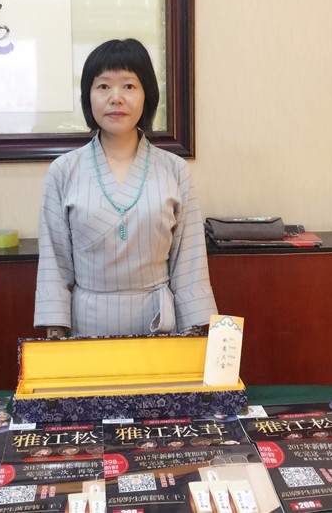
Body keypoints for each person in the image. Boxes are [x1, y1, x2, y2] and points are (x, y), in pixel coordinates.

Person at [34, 38, 217, 338]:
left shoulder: (174, 169)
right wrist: (56, 333)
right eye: (103, 86)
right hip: (86, 326)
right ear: (88, 96)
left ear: (147, 95)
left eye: (129, 86)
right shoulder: (63, 171)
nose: (116, 98)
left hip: (158, 326)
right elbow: (55, 262)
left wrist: (193, 333)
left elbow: (189, 261)